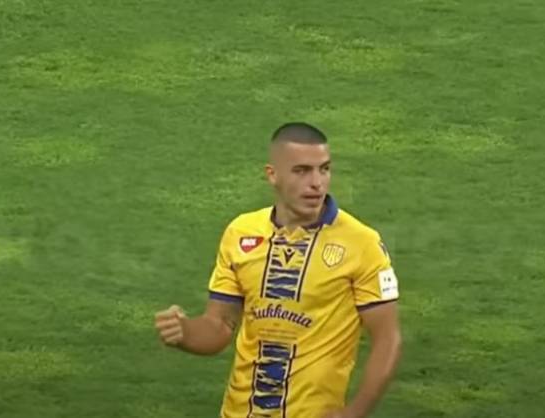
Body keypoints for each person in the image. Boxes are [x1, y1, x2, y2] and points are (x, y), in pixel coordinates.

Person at [154, 122, 402, 418]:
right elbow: (219, 326)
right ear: (272, 174)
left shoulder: (362, 243)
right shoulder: (241, 232)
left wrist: (354, 413)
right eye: (302, 171)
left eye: (324, 169)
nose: (317, 183)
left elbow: (387, 338)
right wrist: (185, 332)